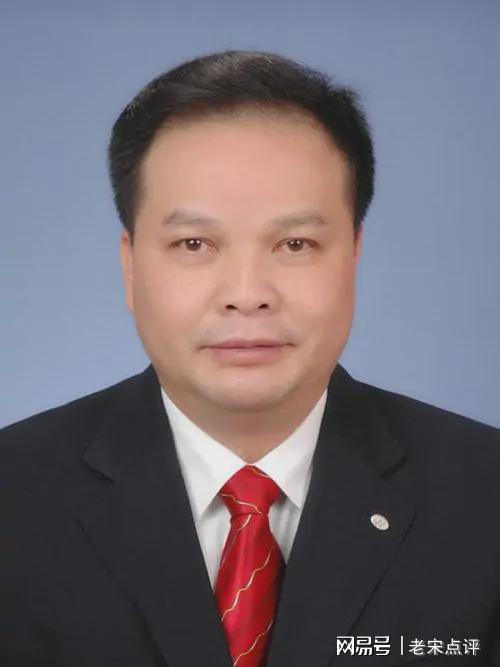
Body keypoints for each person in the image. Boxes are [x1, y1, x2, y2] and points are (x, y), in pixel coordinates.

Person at [1, 49, 498, 667]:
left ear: (354, 254)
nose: (246, 294)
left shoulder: (485, 498)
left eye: (295, 243)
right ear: (130, 265)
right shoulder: (14, 498)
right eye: (194, 243)